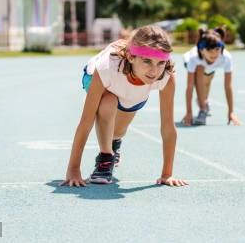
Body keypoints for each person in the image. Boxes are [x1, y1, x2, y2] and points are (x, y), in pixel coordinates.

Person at [61, 25, 188, 187]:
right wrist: (73, 170)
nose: (154, 71)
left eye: (160, 63)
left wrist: (167, 174)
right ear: (131, 57)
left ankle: (114, 143)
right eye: (147, 61)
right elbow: (86, 121)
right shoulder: (107, 68)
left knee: (117, 132)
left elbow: (168, 126)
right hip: (98, 81)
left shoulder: (166, 76)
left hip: (133, 91)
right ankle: (105, 158)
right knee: (108, 102)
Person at [181, 27, 240, 126]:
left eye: (217, 49)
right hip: (193, 64)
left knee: (207, 83)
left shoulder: (226, 57)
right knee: (200, 71)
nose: (214, 53)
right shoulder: (194, 58)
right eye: (209, 50)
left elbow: (228, 86)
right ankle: (203, 110)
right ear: (202, 50)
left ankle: (204, 101)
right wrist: (189, 112)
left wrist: (231, 112)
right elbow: (190, 87)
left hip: (209, 68)